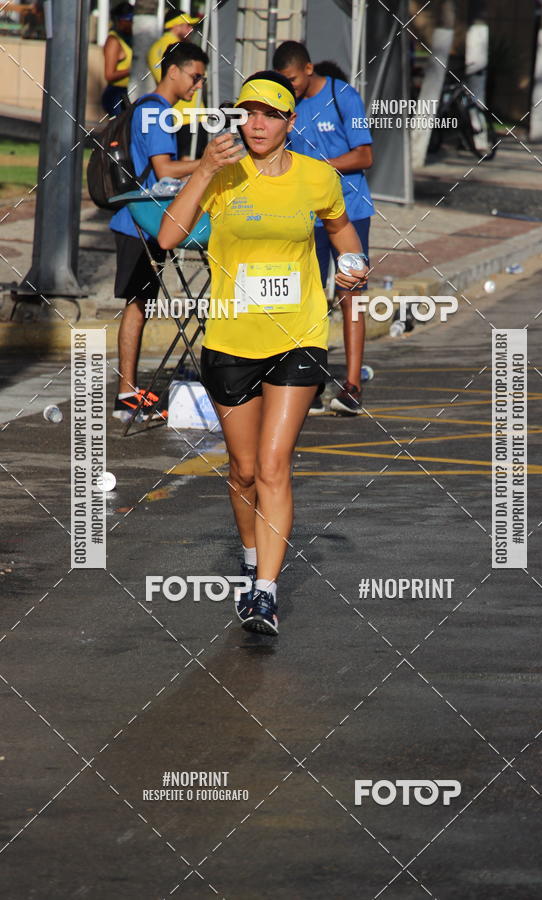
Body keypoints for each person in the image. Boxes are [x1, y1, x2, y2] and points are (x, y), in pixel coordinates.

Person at [157, 71, 368, 635]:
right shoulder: (223, 176)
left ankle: (265, 594)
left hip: (298, 338)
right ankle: (253, 563)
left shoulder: (318, 178)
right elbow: (168, 237)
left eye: (270, 114)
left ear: (289, 123)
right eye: (248, 112)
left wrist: (355, 266)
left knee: (274, 466)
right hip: (230, 341)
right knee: (244, 470)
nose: (257, 123)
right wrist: (201, 170)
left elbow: (344, 234)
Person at [273, 41, 374, 416]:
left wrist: (320, 169)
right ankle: (309, 383)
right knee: (306, 298)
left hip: (349, 213)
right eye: (284, 81)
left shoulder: (343, 95)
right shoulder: (286, 105)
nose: (290, 87)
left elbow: (364, 155)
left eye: (293, 79)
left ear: (310, 69)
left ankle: (352, 385)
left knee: (351, 292)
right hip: (304, 216)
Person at [110, 42, 208, 421]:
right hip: (139, 223)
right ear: (174, 72)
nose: (197, 84)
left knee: (141, 304)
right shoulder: (156, 112)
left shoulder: (158, 111)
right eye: (195, 76)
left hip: (147, 223)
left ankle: (128, 390)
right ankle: (125, 394)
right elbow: (164, 170)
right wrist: (206, 162)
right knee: (136, 306)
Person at [147, 7, 207, 160]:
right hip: (190, 115)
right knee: (187, 164)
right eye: (187, 25)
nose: (190, 29)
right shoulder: (180, 50)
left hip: (174, 114)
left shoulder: (155, 47)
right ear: (175, 26)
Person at [102, 2, 134, 117]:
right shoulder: (114, 41)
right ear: (121, 21)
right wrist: (131, 70)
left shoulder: (129, 40)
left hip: (127, 92)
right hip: (116, 94)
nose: (132, 24)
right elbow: (109, 75)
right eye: (130, 20)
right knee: (120, 133)